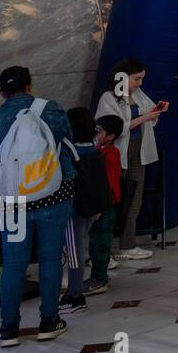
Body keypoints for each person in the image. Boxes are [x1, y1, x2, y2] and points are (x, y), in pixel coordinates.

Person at [0, 66, 75, 346]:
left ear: (0, 92)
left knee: (13, 265)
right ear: (30, 87)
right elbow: (64, 143)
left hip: (13, 202)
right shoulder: (51, 109)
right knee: (49, 258)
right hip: (52, 197)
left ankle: (8, 329)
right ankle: (49, 321)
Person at [95, 57, 167, 261]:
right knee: (112, 203)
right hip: (117, 156)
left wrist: (155, 112)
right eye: (137, 79)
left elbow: (150, 113)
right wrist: (145, 118)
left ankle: (128, 244)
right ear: (122, 78)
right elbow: (116, 127)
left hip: (138, 154)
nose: (140, 84)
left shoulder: (138, 94)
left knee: (133, 200)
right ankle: (103, 252)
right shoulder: (108, 98)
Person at [60, 107, 110, 313]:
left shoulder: (69, 151)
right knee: (78, 247)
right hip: (92, 206)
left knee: (74, 252)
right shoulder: (94, 148)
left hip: (74, 209)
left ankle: (75, 295)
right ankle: (74, 291)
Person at [84, 115, 124, 296]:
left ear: (111, 136)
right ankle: (96, 276)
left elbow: (106, 184)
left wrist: (99, 207)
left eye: (98, 131)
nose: (95, 134)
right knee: (95, 241)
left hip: (105, 206)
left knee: (101, 243)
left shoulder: (110, 155)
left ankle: (99, 278)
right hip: (101, 205)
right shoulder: (99, 151)